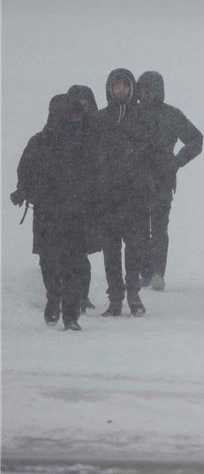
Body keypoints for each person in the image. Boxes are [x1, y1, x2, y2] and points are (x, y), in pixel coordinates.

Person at [10, 94, 100, 330]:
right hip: (47, 214)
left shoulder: (86, 142)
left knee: (74, 263)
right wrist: (23, 191)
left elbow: (97, 173)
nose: (76, 119)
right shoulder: (39, 142)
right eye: (71, 114)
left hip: (75, 213)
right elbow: (25, 172)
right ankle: (53, 297)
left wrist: (95, 198)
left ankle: (70, 315)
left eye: (78, 115)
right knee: (48, 261)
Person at [95, 68, 158, 317]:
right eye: (116, 86)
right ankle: (115, 299)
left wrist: (152, 182)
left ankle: (133, 293)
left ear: (131, 89)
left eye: (124, 86)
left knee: (135, 248)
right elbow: (91, 156)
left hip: (136, 196)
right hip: (107, 197)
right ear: (110, 89)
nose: (120, 90)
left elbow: (155, 154)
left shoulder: (144, 119)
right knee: (111, 250)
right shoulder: (100, 120)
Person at [136, 71, 203, 291]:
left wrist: (175, 163)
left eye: (150, 90)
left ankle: (156, 273)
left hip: (162, 181)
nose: (146, 95)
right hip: (134, 181)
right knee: (137, 228)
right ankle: (144, 272)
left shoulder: (172, 115)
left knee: (158, 227)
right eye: (143, 90)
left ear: (159, 91)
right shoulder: (132, 114)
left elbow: (196, 139)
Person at [67, 85, 100, 312]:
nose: (82, 106)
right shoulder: (59, 129)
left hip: (87, 199)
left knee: (80, 252)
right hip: (64, 199)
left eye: (86, 102)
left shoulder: (97, 130)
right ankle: (64, 294)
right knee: (63, 252)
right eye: (78, 102)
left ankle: (81, 295)